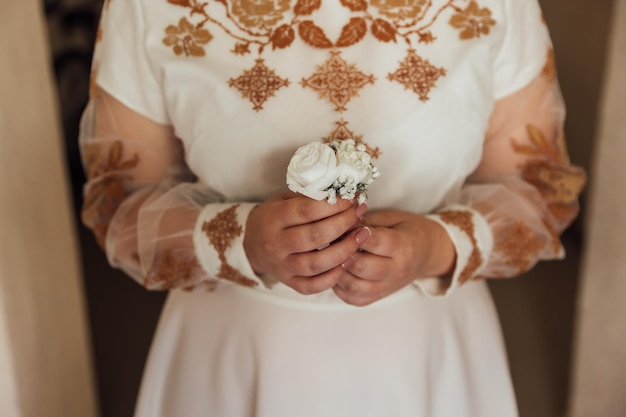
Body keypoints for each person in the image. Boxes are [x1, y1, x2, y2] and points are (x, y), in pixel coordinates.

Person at [80, 0, 586, 415]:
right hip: (235, 351)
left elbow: (538, 187)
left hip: (427, 349)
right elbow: (119, 203)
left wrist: (436, 245)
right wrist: (240, 240)